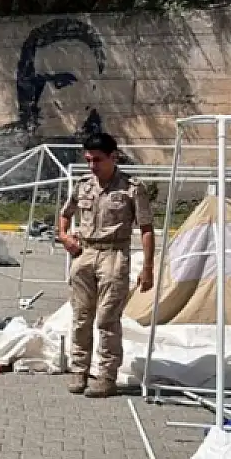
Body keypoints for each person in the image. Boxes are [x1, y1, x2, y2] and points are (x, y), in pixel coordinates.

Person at [56, 132, 155, 398]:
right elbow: (65, 215)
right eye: (88, 160)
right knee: (80, 317)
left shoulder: (132, 188)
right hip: (84, 254)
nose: (92, 166)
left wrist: (147, 268)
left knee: (107, 319)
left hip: (114, 255)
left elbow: (146, 228)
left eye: (97, 160)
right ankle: (79, 370)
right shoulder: (83, 185)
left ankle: (106, 376)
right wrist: (65, 237)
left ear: (113, 157)